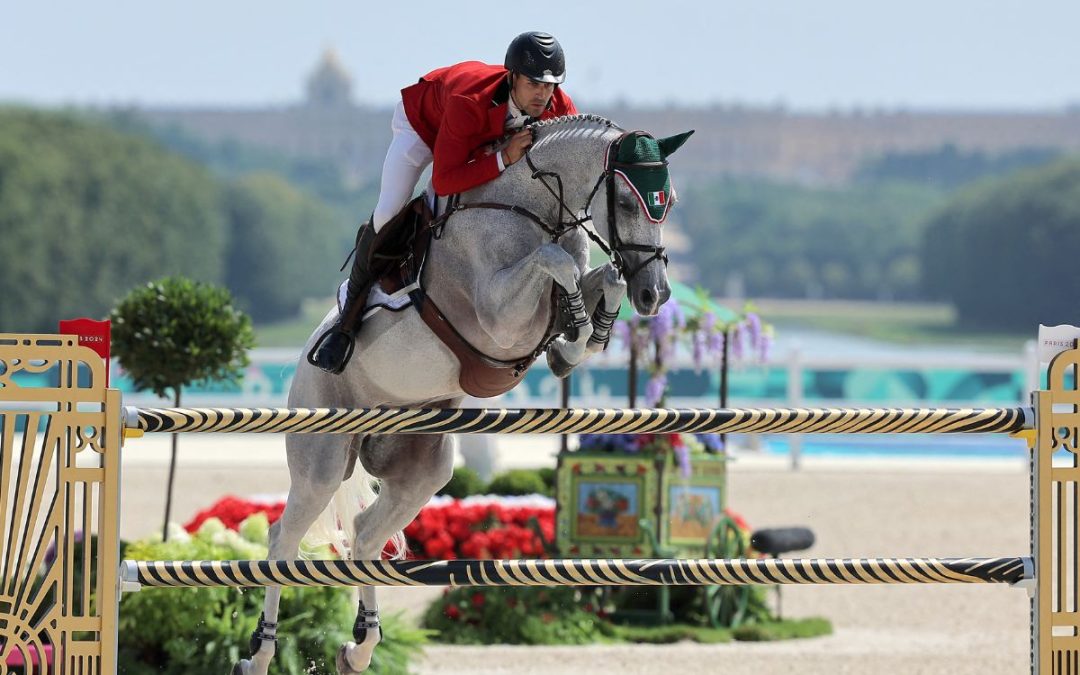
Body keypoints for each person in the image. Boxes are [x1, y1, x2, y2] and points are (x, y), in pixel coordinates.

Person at [310, 31, 578, 374]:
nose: (543, 94)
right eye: (533, 83)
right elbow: (445, 179)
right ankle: (346, 322)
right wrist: (504, 159)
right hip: (425, 126)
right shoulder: (470, 99)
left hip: (482, 137)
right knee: (390, 210)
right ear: (512, 77)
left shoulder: (559, 106)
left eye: (549, 85)